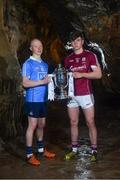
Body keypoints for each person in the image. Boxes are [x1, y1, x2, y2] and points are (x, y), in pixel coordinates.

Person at [64, 30, 102, 161]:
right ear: (71, 43)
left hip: (86, 94)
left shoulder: (90, 55)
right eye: (73, 41)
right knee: (73, 122)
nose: (75, 43)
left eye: (78, 40)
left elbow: (98, 74)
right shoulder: (68, 59)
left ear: (82, 41)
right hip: (71, 96)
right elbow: (65, 79)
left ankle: (94, 151)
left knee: (90, 122)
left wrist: (82, 74)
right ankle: (74, 150)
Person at [22, 38, 55, 166]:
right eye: (36, 46)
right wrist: (42, 82)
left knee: (42, 124)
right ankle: (29, 154)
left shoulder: (45, 65)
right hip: (32, 100)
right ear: (31, 48)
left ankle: (41, 150)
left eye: (40, 46)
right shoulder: (28, 64)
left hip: (42, 100)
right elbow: (25, 83)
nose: (39, 48)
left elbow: (48, 82)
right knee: (33, 125)